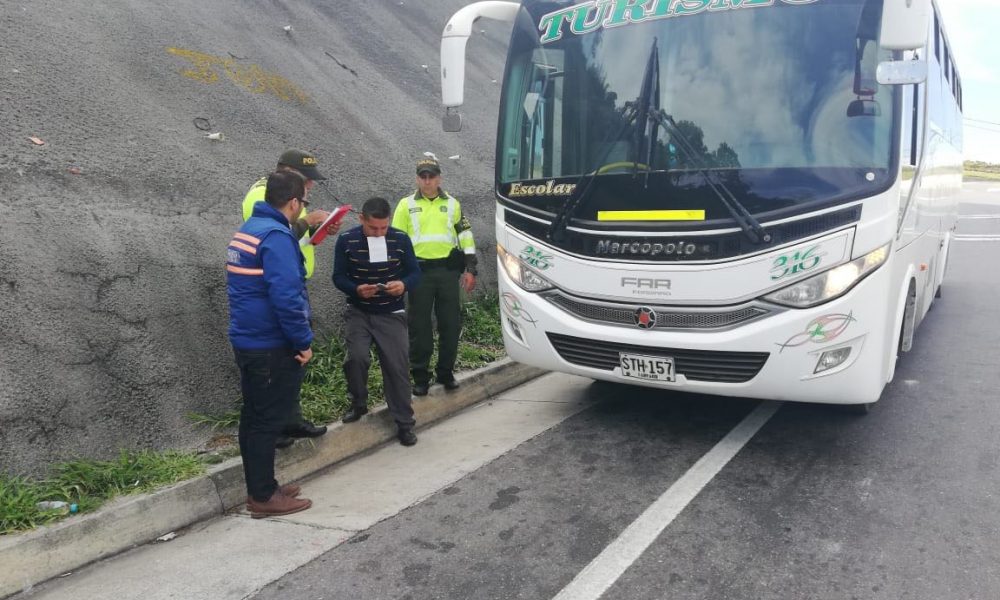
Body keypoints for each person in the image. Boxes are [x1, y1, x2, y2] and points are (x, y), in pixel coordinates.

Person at [226, 170, 314, 518]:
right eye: (302, 202)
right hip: (271, 344)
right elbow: (287, 297)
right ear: (293, 202)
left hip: (248, 340)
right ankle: (262, 497)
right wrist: (302, 341)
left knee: (253, 418)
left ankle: (263, 485)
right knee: (265, 421)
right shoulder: (276, 237)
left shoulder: (248, 230)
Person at [243, 149, 338, 447]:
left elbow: (293, 238)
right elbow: (273, 238)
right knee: (280, 360)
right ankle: (276, 427)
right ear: (286, 171)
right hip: (273, 289)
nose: (309, 186)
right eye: (305, 180)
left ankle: (289, 418)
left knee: (292, 361)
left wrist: (320, 227)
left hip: (292, 283)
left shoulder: (289, 194)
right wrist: (308, 220)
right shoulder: (262, 195)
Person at [333, 197, 422, 446]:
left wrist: (403, 284)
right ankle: (359, 402)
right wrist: (356, 289)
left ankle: (404, 423)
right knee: (357, 358)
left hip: (391, 313)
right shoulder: (347, 240)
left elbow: (415, 273)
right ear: (361, 219)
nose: (379, 233)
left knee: (397, 367)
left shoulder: (400, 239)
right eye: (373, 228)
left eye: (384, 228)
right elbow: (338, 277)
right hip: (359, 311)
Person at [392, 157, 477, 397]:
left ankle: (445, 372)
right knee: (419, 327)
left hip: (448, 272)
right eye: (423, 176)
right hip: (419, 274)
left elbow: (466, 237)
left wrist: (471, 269)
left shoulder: (453, 204)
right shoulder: (405, 205)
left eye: (431, 176)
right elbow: (397, 240)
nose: (427, 181)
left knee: (450, 324)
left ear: (439, 177)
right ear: (417, 178)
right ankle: (420, 376)